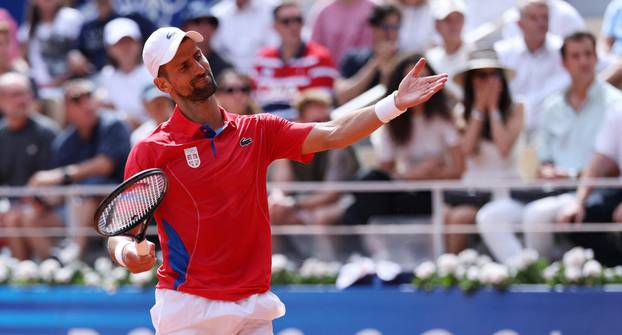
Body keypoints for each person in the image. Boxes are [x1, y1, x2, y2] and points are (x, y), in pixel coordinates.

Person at [108, 26, 446, 333]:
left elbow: (332, 133)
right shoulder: (152, 150)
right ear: (162, 85)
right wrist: (127, 254)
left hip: (254, 306)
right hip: (188, 309)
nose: (198, 67)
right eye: (183, 66)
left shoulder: (257, 130)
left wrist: (395, 103)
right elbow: (121, 232)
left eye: (197, 56)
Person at [476, 32, 622, 263]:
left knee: (537, 216)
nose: (583, 61)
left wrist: (573, 175)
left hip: (588, 193)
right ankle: (524, 274)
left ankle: (539, 281)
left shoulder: (616, 104)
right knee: (490, 216)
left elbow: (611, 163)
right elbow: (544, 157)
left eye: (588, 55)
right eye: (576, 56)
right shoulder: (552, 105)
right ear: (563, 63)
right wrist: (546, 170)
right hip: (548, 191)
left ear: (596, 59)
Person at [344, 53, 464, 227]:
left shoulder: (443, 117)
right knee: (365, 186)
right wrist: (415, 174)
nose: (418, 86)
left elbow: (458, 169)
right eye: (411, 81)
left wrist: (422, 176)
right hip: (406, 190)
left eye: (423, 79)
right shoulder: (390, 122)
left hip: (436, 193)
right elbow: (386, 171)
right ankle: (375, 248)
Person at [28, 79, 131, 258]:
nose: (86, 104)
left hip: (122, 208)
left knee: (83, 191)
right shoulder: (65, 142)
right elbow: (60, 190)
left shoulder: (113, 124)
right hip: (80, 212)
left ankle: (75, 254)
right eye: (77, 100)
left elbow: (104, 166)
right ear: (66, 110)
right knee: (30, 217)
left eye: (89, 96)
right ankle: (54, 272)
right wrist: (41, 197)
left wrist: (62, 175)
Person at [443, 49, 523, 254]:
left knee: (459, 219)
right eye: (481, 75)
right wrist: (479, 108)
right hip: (471, 190)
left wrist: (493, 108)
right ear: (471, 80)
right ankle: (447, 273)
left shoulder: (516, 108)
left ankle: (453, 271)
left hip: (504, 191)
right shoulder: (462, 111)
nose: (487, 81)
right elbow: (467, 149)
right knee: (444, 215)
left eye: (493, 75)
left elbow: (504, 147)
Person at [269, 89, 360, 261]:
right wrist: (278, 200)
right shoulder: (289, 142)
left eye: (326, 119)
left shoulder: (340, 146)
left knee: (319, 217)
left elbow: (331, 193)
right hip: (306, 203)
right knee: (271, 212)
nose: (323, 126)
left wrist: (295, 204)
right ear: (301, 121)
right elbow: (281, 184)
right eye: (316, 121)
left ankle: (328, 270)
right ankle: (279, 267)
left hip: (347, 201)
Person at [0, 73, 58, 260]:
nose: (22, 100)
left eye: (26, 93)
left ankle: (50, 270)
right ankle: (22, 274)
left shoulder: (47, 132)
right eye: (15, 95)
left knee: (21, 217)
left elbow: (55, 183)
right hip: (12, 208)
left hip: (50, 209)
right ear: (1, 101)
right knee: (12, 217)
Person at [493, 0, 569, 140]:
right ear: (519, 24)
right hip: (511, 137)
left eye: (544, 17)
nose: (541, 23)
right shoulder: (502, 54)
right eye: (533, 18)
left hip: (555, 136)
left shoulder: (565, 51)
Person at [252, 1, 338, 120]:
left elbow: (319, 107)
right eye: (286, 21)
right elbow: (253, 102)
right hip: (264, 129)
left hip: (301, 131)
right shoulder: (263, 59)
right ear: (275, 26)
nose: (294, 26)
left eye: (298, 20)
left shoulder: (319, 57)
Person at [336, 3, 402, 105]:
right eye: (385, 27)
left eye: (394, 27)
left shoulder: (405, 60)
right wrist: (375, 64)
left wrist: (387, 68)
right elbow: (342, 96)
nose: (390, 33)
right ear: (374, 27)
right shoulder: (353, 57)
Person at [97, 17, 152, 129]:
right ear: (109, 49)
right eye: (119, 43)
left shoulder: (153, 71)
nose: (125, 47)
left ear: (139, 44)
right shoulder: (107, 75)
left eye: (129, 41)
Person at [211, 0, 279, 74]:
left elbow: (276, 47)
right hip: (229, 77)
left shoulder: (272, 8)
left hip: (265, 73)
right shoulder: (218, 12)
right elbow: (215, 50)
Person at [425, 0, 471, 102]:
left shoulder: (475, 54)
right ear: (437, 25)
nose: (454, 25)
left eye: (458, 19)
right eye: (448, 20)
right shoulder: (430, 58)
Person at [309, 0, 377, 65]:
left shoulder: (374, 8)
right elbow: (315, 50)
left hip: (368, 73)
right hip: (332, 73)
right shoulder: (323, 11)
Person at [179, 1, 232, 80]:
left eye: (211, 22)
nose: (206, 27)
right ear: (184, 27)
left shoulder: (225, 68)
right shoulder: (172, 62)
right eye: (198, 21)